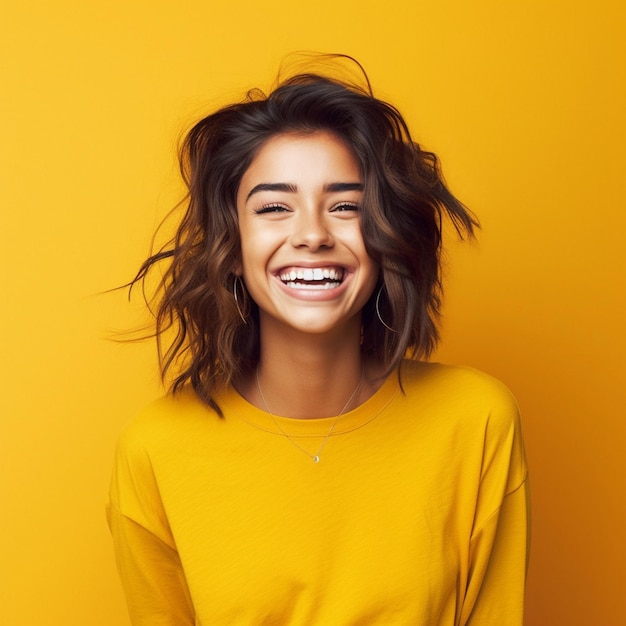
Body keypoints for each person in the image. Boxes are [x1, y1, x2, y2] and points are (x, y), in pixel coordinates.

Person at [107, 56, 530, 625]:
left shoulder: (475, 420)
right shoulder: (155, 450)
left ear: (387, 238)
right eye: (275, 208)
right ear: (231, 248)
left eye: (346, 206)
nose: (312, 235)